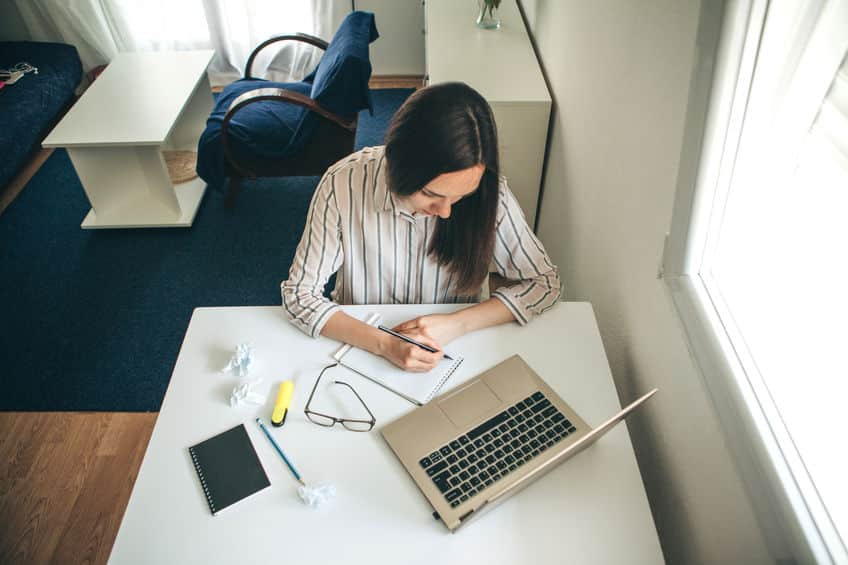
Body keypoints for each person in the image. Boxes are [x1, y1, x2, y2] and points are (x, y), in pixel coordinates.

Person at [281, 82, 561, 372]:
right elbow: (299, 296)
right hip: (360, 344)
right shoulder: (342, 184)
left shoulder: (492, 194)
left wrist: (457, 324)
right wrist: (385, 344)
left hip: (452, 350)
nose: (446, 211)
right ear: (398, 166)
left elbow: (544, 284)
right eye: (431, 195)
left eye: (460, 196)